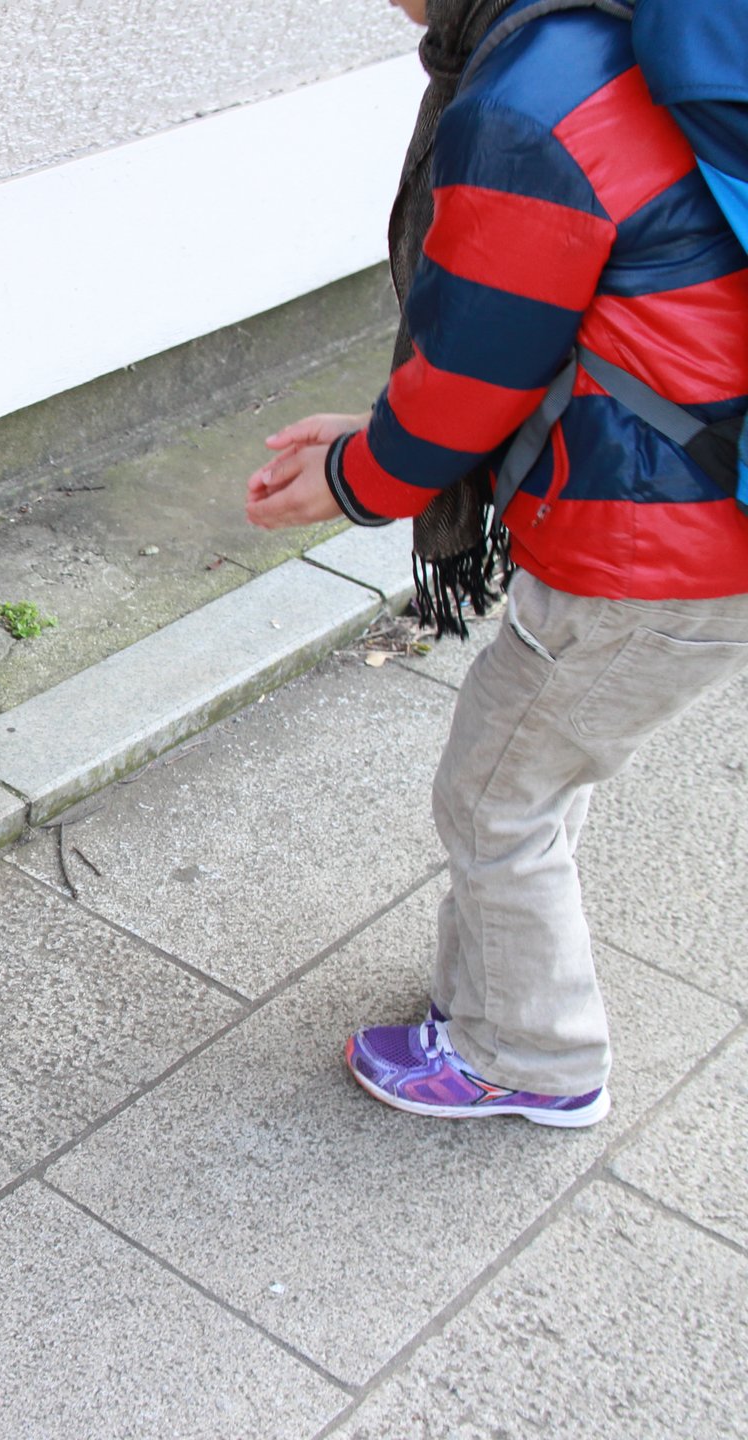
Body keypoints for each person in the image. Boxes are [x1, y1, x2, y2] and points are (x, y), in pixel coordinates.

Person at [246, 0, 748, 1126]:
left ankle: (531, 1055)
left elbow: (473, 372)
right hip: (696, 514)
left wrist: (353, 480)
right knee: (534, 768)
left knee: (491, 794)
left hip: (649, 547)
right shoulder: (628, 29)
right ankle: (488, 997)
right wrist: (368, 442)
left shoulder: (531, 105)